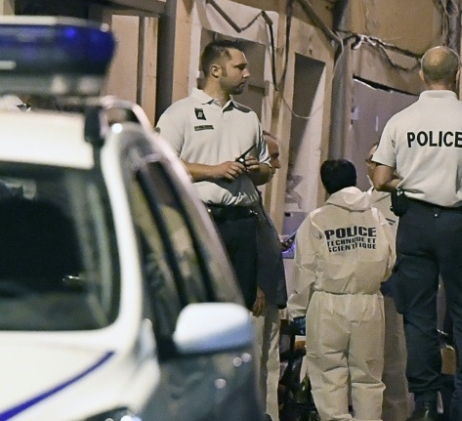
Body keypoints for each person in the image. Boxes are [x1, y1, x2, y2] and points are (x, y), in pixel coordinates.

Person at [371, 45, 462, 421]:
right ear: (457, 75)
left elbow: (381, 178)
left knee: (418, 315)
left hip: (414, 223)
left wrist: (412, 180)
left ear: (421, 76)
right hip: (457, 223)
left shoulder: (402, 121)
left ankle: (427, 402)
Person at [155, 39, 273, 313]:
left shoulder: (249, 117)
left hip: (243, 222)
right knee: (199, 302)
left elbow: (267, 170)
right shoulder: (180, 113)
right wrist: (214, 170)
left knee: (238, 305)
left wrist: (257, 170)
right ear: (216, 71)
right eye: (240, 67)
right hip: (201, 219)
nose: (247, 74)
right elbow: (161, 165)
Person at [287, 159, 396, 421]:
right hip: (368, 302)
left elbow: (305, 271)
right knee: (368, 378)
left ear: (325, 184)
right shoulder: (376, 217)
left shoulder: (317, 220)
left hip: (327, 303)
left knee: (328, 376)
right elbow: (389, 260)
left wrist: (298, 309)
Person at [366, 142, 411, 421]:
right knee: (365, 366)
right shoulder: (357, 202)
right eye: (374, 161)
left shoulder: (403, 202)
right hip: (360, 294)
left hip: (392, 290)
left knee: (394, 366)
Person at [251, 131, 289, 421]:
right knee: (255, 367)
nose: (276, 166)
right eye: (272, 157)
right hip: (257, 296)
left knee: (270, 365)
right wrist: (251, 282)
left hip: (271, 293)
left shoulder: (254, 199)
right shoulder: (237, 201)